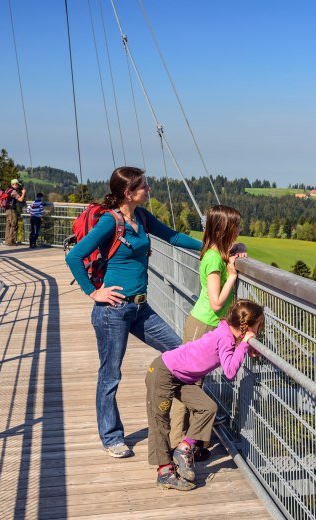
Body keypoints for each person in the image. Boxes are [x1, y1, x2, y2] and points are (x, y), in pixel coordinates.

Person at [65, 166, 202, 459]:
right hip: (112, 311)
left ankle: (187, 416)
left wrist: (213, 249)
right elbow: (74, 255)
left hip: (141, 308)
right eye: (144, 186)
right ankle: (112, 436)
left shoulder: (140, 217)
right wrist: (94, 292)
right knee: (110, 374)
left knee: (180, 352)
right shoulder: (108, 222)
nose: (148, 190)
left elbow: (173, 237)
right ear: (128, 193)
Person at [146, 299, 264, 490]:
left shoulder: (226, 331)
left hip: (180, 377)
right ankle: (165, 472)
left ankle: (184, 448)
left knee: (207, 407)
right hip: (163, 373)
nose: (259, 330)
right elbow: (230, 372)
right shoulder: (226, 337)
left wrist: (244, 344)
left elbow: (228, 350)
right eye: (258, 326)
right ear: (249, 326)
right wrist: (244, 345)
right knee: (160, 421)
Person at [170, 205, 246, 453]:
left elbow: (233, 251)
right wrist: (232, 275)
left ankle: (196, 442)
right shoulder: (213, 258)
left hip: (212, 326)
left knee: (197, 386)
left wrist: (239, 250)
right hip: (202, 325)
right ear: (224, 228)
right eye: (235, 226)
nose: (239, 230)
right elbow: (216, 302)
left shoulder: (218, 253)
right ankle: (177, 442)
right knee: (188, 384)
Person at [3, 179, 26, 246]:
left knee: (8, 225)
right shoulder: (13, 192)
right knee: (13, 225)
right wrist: (23, 193)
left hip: (7, 210)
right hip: (12, 210)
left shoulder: (7, 190)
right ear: (14, 184)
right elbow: (20, 199)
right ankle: (10, 241)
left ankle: (7, 240)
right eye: (17, 184)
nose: (18, 186)